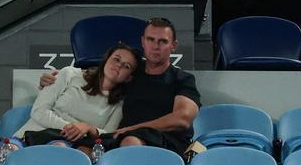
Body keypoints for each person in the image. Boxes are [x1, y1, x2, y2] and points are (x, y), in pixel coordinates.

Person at [41, 17, 202, 155]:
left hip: (165, 140)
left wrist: (134, 129)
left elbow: (182, 119)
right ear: (142, 42)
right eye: (150, 39)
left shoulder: (183, 79)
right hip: (120, 137)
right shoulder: (130, 71)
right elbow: (96, 75)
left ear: (174, 45)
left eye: (163, 41)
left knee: (130, 142)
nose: (155, 46)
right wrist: (55, 78)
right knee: (82, 151)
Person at [16, 43, 139, 154]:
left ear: (129, 77)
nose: (119, 65)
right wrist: (73, 128)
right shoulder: (68, 74)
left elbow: (108, 136)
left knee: (62, 149)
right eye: (116, 59)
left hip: (70, 147)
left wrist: (88, 128)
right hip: (33, 134)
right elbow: (39, 111)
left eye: (126, 66)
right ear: (106, 60)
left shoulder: (119, 104)